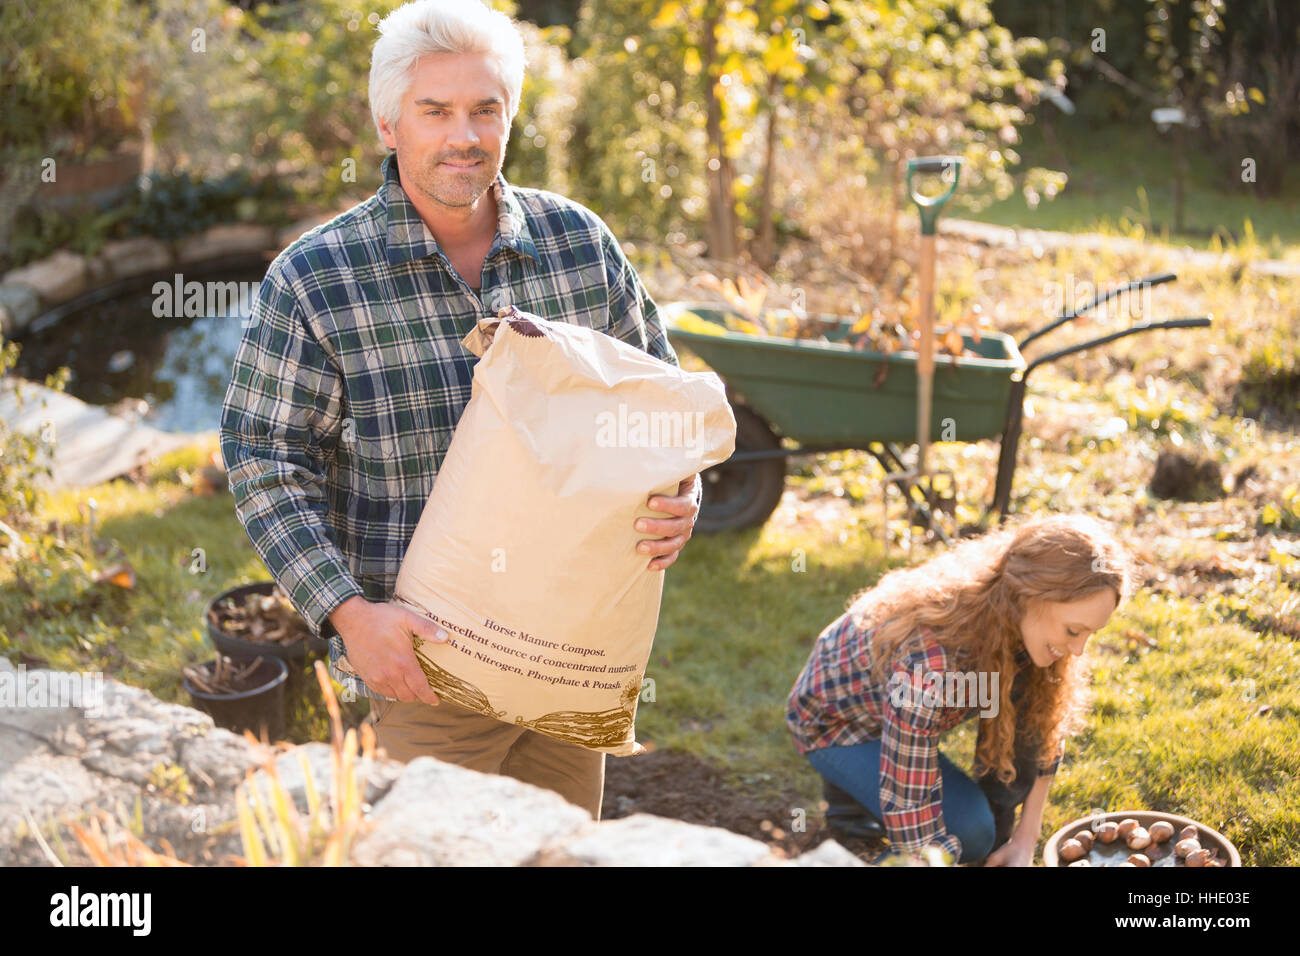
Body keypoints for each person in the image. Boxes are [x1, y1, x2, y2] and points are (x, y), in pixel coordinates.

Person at [219, 0, 700, 820]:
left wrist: (683, 496)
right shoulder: (316, 281)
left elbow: (662, 400)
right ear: (387, 124)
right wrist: (346, 614)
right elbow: (263, 457)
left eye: (485, 109)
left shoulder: (581, 246)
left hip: (574, 648)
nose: (463, 136)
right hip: (424, 668)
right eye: (434, 110)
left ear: (510, 116)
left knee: (558, 846)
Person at [786, 514, 1135, 865]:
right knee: (970, 833)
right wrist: (929, 857)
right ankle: (849, 800)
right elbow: (911, 807)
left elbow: (1045, 728)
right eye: (1074, 632)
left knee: (1028, 695)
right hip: (838, 722)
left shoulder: (1019, 616)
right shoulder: (932, 663)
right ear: (1030, 597)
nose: (1078, 650)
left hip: (901, 707)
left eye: (1091, 633)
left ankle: (866, 795)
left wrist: (1025, 839)